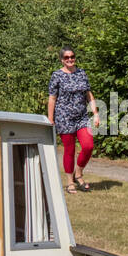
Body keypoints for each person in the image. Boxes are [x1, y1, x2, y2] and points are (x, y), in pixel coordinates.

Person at [48, 47, 100, 194]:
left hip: (82, 117)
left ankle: (79, 173)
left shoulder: (81, 73)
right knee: (69, 150)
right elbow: (52, 98)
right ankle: (70, 182)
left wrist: (95, 113)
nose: (70, 59)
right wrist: (51, 118)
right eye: (66, 57)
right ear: (62, 60)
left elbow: (88, 95)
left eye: (72, 57)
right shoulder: (57, 75)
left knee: (88, 146)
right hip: (64, 117)